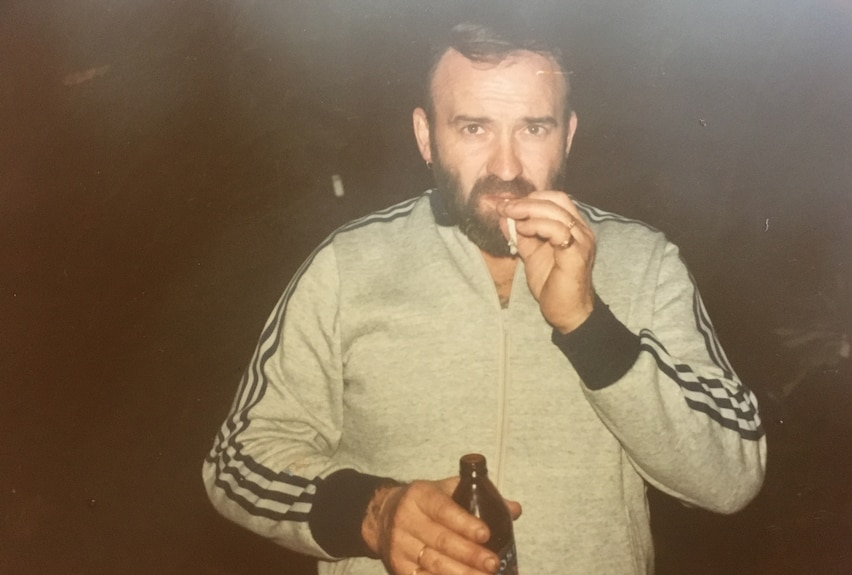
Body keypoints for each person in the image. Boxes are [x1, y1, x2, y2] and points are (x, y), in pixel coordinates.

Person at [203, 21, 766, 575]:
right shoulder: (347, 266)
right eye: (474, 128)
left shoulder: (645, 263)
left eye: (533, 129)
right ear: (426, 137)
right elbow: (237, 462)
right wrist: (375, 513)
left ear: (567, 135)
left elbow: (733, 475)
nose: (506, 167)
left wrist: (587, 325)